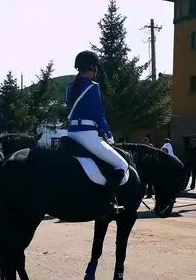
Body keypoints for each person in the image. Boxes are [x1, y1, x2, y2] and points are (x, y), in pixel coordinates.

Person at [66, 50, 128, 214]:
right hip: (87, 135)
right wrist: (109, 136)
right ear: (93, 68)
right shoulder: (93, 88)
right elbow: (99, 116)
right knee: (121, 164)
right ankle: (109, 201)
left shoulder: (70, 88)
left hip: (70, 134)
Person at [142, 134, 154, 199]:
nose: (145, 142)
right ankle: (143, 193)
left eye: (146, 140)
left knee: (149, 182)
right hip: (144, 165)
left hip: (150, 166)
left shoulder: (150, 146)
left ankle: (149, 194)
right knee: (144, 182)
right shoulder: (143, 147)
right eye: (144, 140)